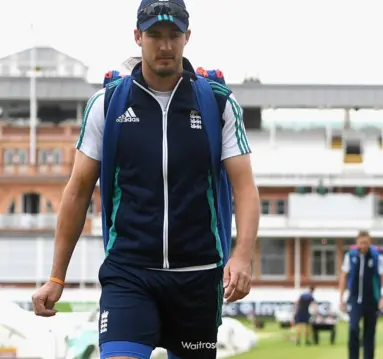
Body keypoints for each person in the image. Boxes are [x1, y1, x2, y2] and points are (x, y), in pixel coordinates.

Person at [30, 1, 260, 359]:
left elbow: (245, 188)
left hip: (197, 276)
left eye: (173, 35)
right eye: (154, 35)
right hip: (129, 273)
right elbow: (76, 194)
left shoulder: (218, 104)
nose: (165, 46)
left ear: (188, 37)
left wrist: (242, 255)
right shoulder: (107, 104)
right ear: (138, 37)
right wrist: (57, 277)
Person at [338, 231, 383, 359]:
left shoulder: (377, 256)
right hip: (354, 299)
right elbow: (343, 275)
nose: (363, 245)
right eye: (361, 243)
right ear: (357, 242)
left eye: (365, 243)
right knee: (353, 328)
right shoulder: (350, 256)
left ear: (369, 242)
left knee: (369, 333)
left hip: (372, 299)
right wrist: (341, 298)